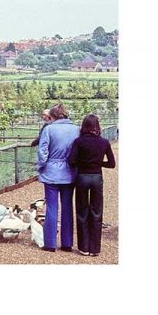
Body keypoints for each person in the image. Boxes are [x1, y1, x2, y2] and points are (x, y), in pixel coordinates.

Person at [68, 114, 116, 257]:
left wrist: (83, 163)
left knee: (82, 211)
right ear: (97, 126)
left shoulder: (78, 141)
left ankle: (84, 247)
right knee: (96, 212)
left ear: (83, 126)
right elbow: (112, 164)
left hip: (82, 177)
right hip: (97, 177)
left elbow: (71, 161)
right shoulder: (104, 142)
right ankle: (94, 249)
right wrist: (98, 163)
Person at [36, 103, 80, 252]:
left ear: (52, 116)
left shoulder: (49, 129)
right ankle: (67, 243)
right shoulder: (76, 129)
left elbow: (43, 152)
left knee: (52, 208)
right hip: (69, 172)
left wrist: (41, 167)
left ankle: (50, 243)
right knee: (67, 207)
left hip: (51, 172)